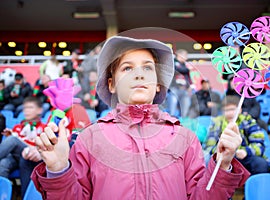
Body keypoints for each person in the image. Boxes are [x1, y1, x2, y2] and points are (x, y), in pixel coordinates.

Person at [32, 36, 249, 199]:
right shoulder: (89, 139)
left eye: (147, 68)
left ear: (157, 85)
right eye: (127, 68)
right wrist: (58, 170)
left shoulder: (185, 138)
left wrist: (223, 165)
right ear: (112, 84)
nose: (139, 74)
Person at [205, 95, 270, 175]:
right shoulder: (216, 123)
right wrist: (221, 152)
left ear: (240, 109)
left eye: (232, 109)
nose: (230, 113)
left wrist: (246, 152)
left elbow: (259, 145)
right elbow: (209, 147)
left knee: (261, 164)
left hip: (245, 157)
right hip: (224, 158)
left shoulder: (248, 121)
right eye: (226, 110)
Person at [0, 96, 46, 198]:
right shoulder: (18, 127)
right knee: (3, 164)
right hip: (16, 157)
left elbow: (36, 150)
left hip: (32, 158)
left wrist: (16, 139)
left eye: (30, 107)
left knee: (13, 140)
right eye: (25, 108)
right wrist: (10, 136)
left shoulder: (43, 128)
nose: (26, 111)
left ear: (39, 110)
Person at [167, 49, 193, 117]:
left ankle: (183, 124)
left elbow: (187, 77)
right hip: (174, 89)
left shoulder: (184, 64)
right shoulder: (173, 62)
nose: (186, 58)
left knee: (185, 111)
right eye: (185, 56)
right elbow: (178, 69)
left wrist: (190, 85)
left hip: (184, 90)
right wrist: (188, 69)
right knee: (172, 111)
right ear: (179, 55)